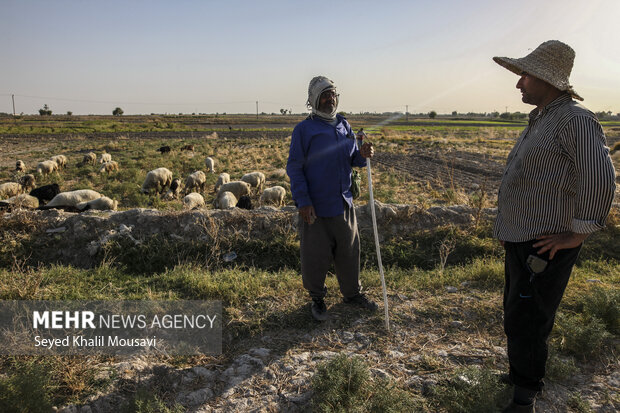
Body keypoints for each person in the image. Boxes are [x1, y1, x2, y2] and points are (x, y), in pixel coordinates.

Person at [493, 40, 616, 412]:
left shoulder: (575, 119)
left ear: (548, 80)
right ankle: (521, 371)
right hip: (521, 236)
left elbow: (601, 179)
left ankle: (525, 394)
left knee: (529, 316)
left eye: (525, 76)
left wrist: (578, 232)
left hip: (544, 244)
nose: (519, 84)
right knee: (517, 311)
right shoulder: (545, 117)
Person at [286, 75, 378, 321]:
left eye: (333, 94)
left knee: (349, 251)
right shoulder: (304, 130)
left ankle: (352, 294)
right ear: (314, 100)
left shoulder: (343, 125)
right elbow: (295, 167)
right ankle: (317, 298)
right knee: (315, 256)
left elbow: (353, 160)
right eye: (325, 95)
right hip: (315, 206)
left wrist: (363, 154)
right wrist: (303, 201)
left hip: (343, 202)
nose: (330, 99)